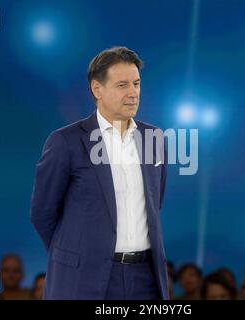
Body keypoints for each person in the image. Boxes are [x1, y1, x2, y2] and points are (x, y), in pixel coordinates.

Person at [31, 46, 168, 300]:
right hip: (85, 279)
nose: (132, 93)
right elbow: (43, 213)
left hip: (146, 279)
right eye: (122, 85)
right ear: (97, 89)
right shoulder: (66, 141)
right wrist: (75, 253)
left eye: (136, 84)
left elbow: (154, 203)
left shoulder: (154, 139)